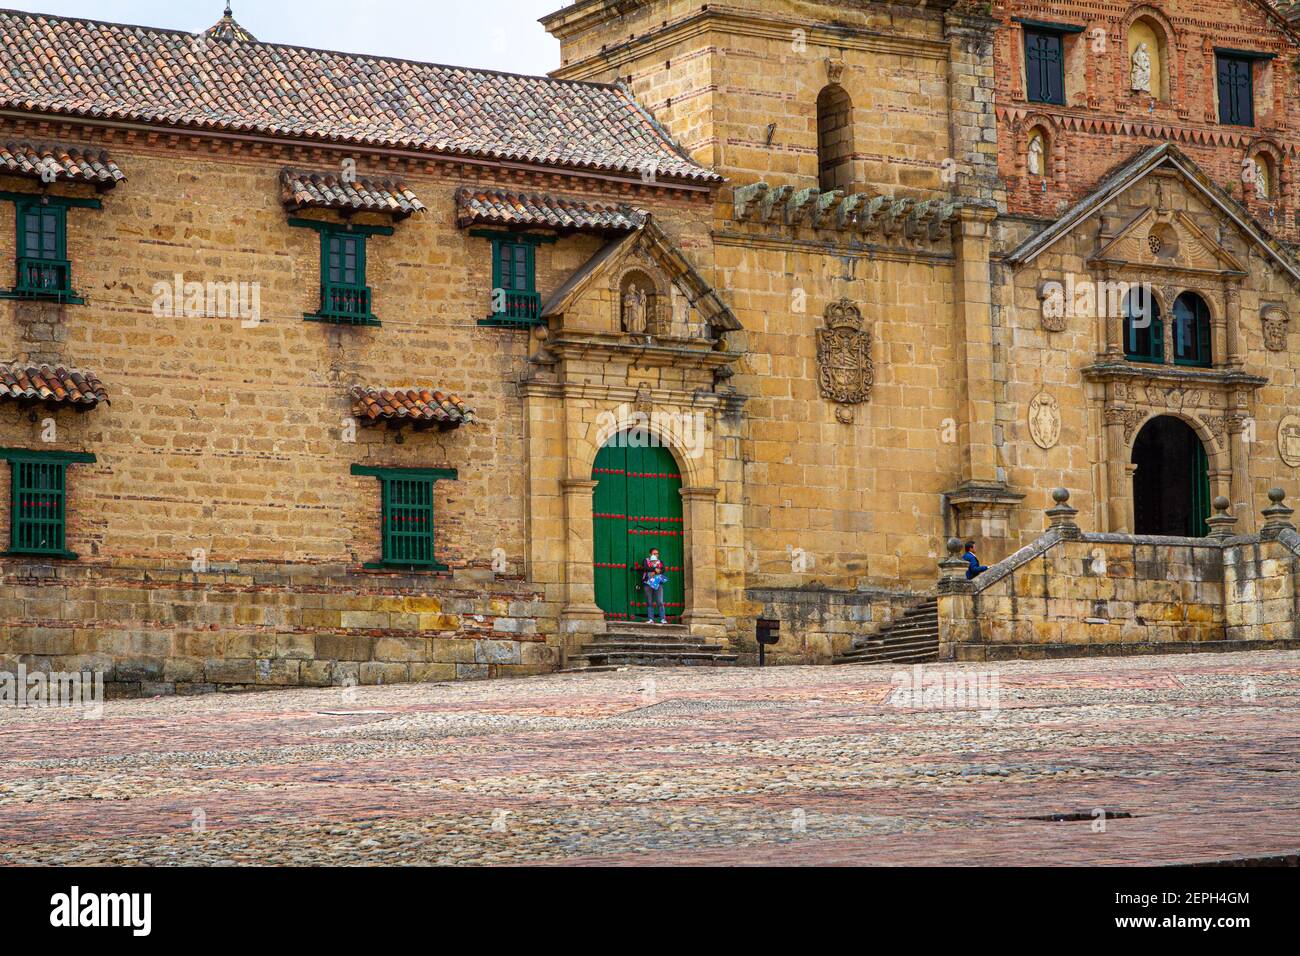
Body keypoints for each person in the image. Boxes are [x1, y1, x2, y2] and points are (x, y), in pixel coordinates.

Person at [639, 548, 668, 625]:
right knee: (649, 601)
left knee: (660, 601)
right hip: (647, 583)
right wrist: (655, 569)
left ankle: (663, 619)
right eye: (654, 553)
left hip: (658, 583)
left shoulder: (660, 562)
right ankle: (651, 619)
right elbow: (644, 568)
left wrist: (655, 572)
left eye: (657, 553)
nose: (656, 555)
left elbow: (663, 570)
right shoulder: (646, 561)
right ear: (650, 554)